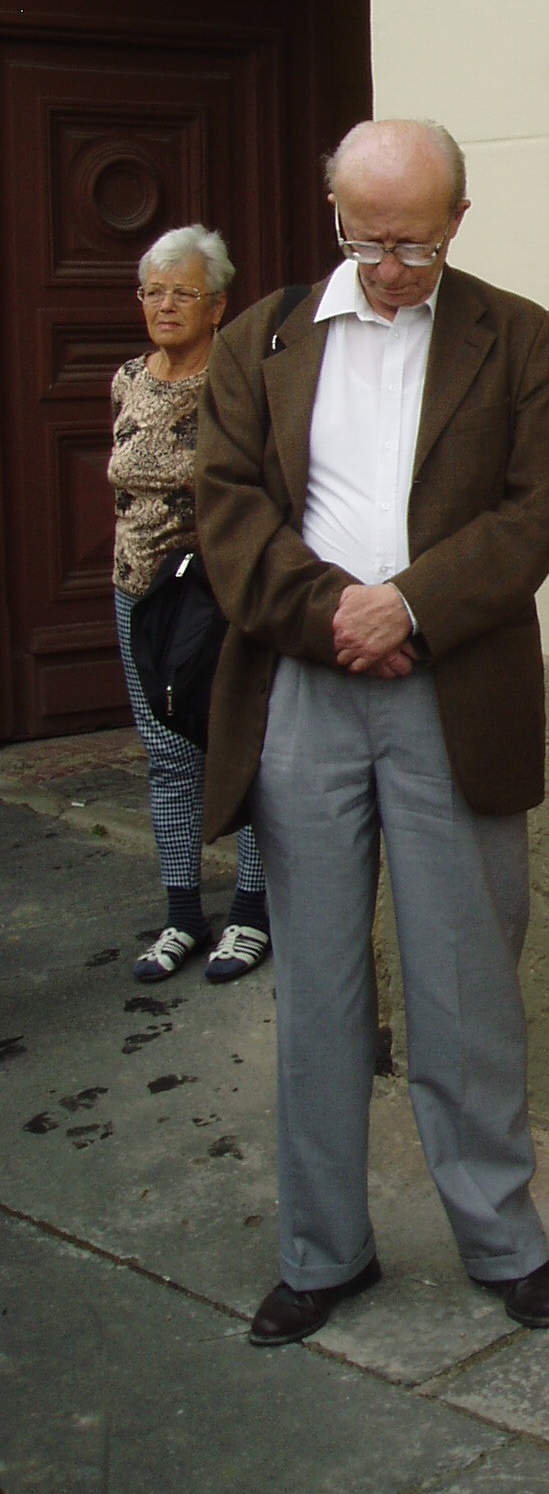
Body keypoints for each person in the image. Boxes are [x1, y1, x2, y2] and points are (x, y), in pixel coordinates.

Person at [194, 119, 549, 1348]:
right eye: (365, 241)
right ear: (336, 216)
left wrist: (408, 604)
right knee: (316, 983)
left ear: (457, 220)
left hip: (452, 687)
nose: (390, 267)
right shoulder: (260, 337)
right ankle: (323, 1250)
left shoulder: (515, 334)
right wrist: (336, 616)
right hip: (304, 689)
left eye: (414, 244)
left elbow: (535, 513)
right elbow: (227, 509)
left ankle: (502, 1237)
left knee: (466, 980)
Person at [109, 226, 270, 986]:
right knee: (167, 752)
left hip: (211, 593)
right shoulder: (127, 378)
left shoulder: (238, 381)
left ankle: (251, 913)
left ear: (218, 306)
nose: (165, 305)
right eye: (154, 291)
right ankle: (182, 916)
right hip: (137, 591)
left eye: (183, 292)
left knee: (240, 746)